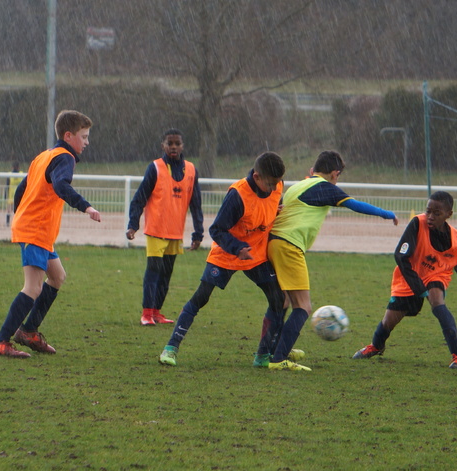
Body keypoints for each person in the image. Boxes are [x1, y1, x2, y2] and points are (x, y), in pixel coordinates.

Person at [260, 151, 398, 371]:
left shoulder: (299, 185)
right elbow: (354, 204)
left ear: (313, 169)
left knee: (283, 301)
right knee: (303, 307)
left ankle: (269, 351)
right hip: (289, 245)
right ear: (335, 174)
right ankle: (279, 359)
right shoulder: (324, 187)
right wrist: (385, 213)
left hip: (274, 242)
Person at [0, 110, 102, 358]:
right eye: (84, 136)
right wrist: (86, 207)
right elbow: (61, 185)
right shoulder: (65, 158)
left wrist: (20, 217)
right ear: (68, 136)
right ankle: (0, 342)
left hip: (35, 229)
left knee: (57, 276)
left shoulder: (44, 156)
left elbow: (21, 189)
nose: (87, 142)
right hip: (35, 230)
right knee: (33, 287)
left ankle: (28, 331)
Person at [158, 152, 288, 369]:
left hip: (255, 254)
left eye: (277, 183)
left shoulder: (277, 185)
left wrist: (276, 211)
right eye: (270, 184)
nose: (274, 188)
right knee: (201, 297)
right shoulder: (238, 195)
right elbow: (216, 230)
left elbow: (272, 205)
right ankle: (171, 348)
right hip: (227, 253)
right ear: (256, 177)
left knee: (279, 299)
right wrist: (237, 248)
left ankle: (263, 355)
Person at [353, 191, 457, 368]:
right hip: (410, 276)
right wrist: (418, 287)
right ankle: (376, 346)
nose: (430, 216)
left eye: (436, 213)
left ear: (449, 214)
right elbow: (400, 256)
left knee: (437, 301)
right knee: (389, 320)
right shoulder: (417, 224)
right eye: (428, 211)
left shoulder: (456, 239)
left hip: (436, 275)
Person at [126, 129, 204, 326]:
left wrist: (198, 233)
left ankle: (157, 312)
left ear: (183, 146)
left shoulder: (191, 170)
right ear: (163, 146)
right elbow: (139, 198)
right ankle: (146, 313)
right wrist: (133, 224)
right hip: (156, 230)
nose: (173, 147)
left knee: (166, 274)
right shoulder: (155, 168)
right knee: (153, 271)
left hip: (175, 233)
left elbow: (196, 204)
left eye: (177, 143)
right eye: (170, 143)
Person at [5, 161, 22, 227]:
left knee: (9, 210)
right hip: (19, 195)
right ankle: (17, 223)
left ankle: (7, 223)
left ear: (12, 167)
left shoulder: (9, 175)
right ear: (18, 167)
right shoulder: (21, 174)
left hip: (11, 195)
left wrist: (5, 195)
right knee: (18, 210)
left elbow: (7, 185)